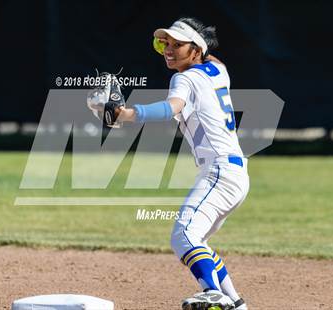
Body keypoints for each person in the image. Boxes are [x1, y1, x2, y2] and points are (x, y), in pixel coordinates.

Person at [117, 17, 249, 310]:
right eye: (165, 43)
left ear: (196, 50)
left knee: (184, 235)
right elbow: (211, 56)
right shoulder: (218, 70)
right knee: (197, 239)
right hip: (236, 173)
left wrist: (124, 114)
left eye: (178, 44)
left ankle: (214, 294)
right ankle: (236, 303)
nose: (169, 49)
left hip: (219, 172)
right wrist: (199, 44)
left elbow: (170, 108)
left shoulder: (184, 79)